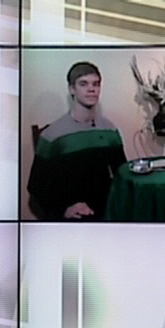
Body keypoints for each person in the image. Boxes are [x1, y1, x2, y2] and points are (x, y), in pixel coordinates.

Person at [27, 61, 127, 221]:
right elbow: (37, 185)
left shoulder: (109, 130)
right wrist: (64, 209)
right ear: (72, 89)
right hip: (73, 214)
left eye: (96, 84)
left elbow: (121, 174)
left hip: (105, 211)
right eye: (83, 84)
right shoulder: (53, 135)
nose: (91, 89)